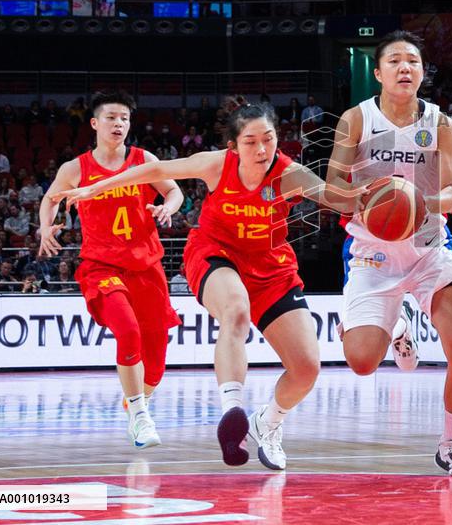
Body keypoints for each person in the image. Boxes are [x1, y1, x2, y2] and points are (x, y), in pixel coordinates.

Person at [52, 102, 361, 471]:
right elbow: (155, 170)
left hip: (271, 266)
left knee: (307, 368)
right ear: (234, 146)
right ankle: (233, 413)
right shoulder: (216, 165)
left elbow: (335, 196)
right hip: (216, 254)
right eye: (251, 142)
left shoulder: (289, 174)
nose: (261, 149)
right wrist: (96, 187)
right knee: (236, 310)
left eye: (268, 139)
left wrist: (388, 195)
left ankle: (267, 423)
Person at [325, 30, 452, 476]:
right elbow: (332, 189)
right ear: (377, 73)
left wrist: (414, 203)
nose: (404, 67)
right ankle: (396, 325)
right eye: (394, 61)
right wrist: (366, 198)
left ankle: (451, 445)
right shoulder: (356, 119)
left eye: (412, 61)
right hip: (371, 252)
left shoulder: (440, 124)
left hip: (428, 248)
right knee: (361, 363)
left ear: (423, 72)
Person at [40, 91, 183, 450]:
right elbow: (50, 199)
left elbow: (175, 192)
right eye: (111, 117)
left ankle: (136, 400)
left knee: (156, 364)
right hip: (101, 265)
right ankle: (139, 414)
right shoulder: (75, 168)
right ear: (94, 123)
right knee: (127, 330)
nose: (119, 124)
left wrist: (168, 207)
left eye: (124, 119)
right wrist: (45, 227)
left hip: (146, 266)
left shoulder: (143, 159)